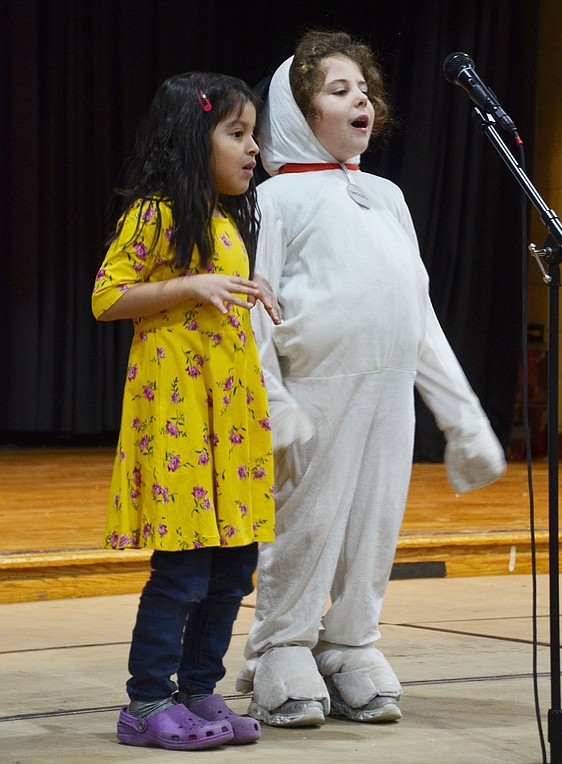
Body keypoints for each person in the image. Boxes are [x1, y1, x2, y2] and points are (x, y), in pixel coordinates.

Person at [235, 30, 507, 728]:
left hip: (387, 391)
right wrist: (274, 400)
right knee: (310, 521)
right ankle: (281, 647)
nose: (360, 97)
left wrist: (462, 415)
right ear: (297, 112)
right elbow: (253, 309)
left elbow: (417, 313)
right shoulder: (277, 200)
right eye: (337, 88)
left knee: (374, 521)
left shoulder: (387, 196)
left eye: (364, 88)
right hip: (316, 390)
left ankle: (352, 640)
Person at [92, 71, 281, 751]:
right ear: (189, 137)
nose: (252, 147)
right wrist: (190, 285)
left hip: (228, 423)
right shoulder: (157, 212)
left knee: (234, 565)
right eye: (236, 133)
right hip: (179, 420)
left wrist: (244, 284)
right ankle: (146, 702)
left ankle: (200, 689)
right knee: (184, 570)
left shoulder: (227, 222)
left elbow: (213, 292)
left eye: (253, 134)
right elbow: (107, 296)